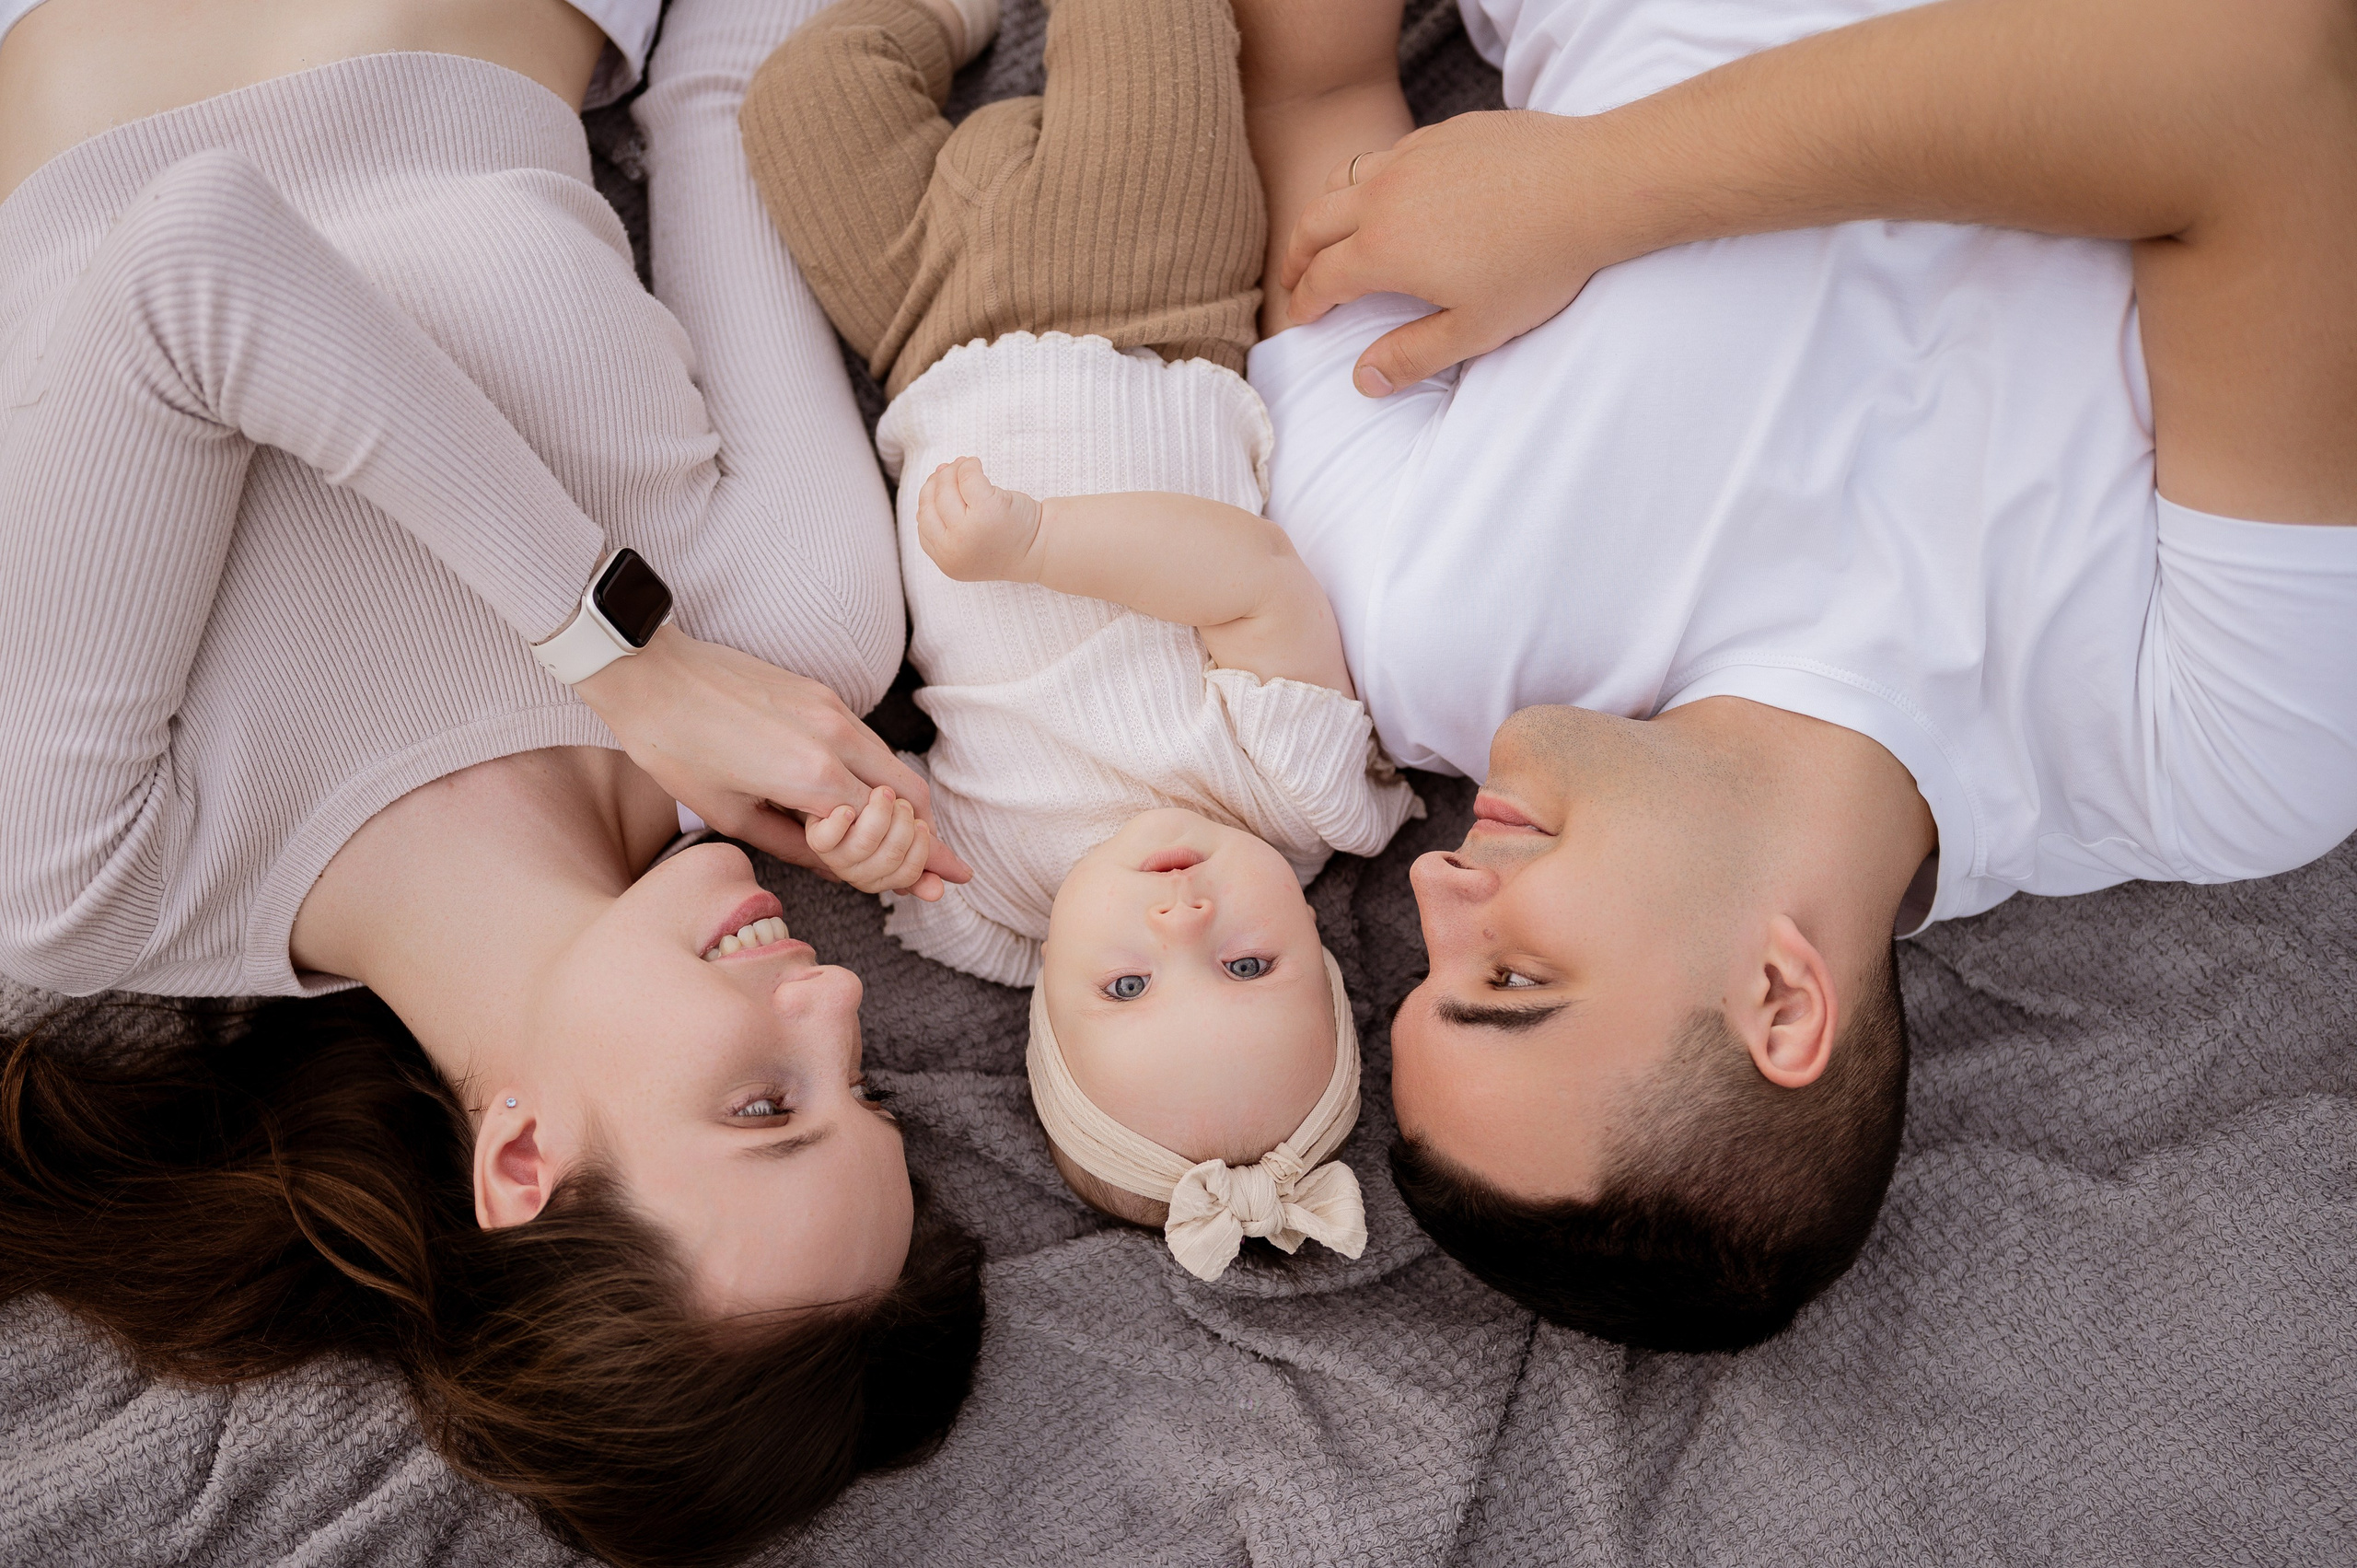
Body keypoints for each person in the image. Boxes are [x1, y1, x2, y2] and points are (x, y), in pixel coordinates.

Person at [0, 1, 981, 1560]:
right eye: (863, 1097)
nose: (841, 1008)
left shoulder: (101, 880)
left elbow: (189, 268)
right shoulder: (801, 661)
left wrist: (630, 663)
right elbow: (727, 84)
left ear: (521, 1159)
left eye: (764, 1104)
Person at [1233, 0, 2357, 1350]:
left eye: (1427, 967)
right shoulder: (2213, 753)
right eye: (1516, 978)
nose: (1434, 887)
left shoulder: (1413, 637)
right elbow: (2266, 86)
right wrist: (1596, 190)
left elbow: (1320, 93)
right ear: (1780, 1000)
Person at [738, 0, 1418, 1275]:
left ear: (1040, 998)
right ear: (1325, 956)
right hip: (1147, 286)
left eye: (1125, 991)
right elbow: (1252, 578)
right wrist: (1036, 544)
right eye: (1251, 960)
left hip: (924, 328)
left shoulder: (996, 902)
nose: (1180, 925)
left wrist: (869, 836)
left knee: (801, 98)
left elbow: (870, 819)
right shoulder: (1296, 798)